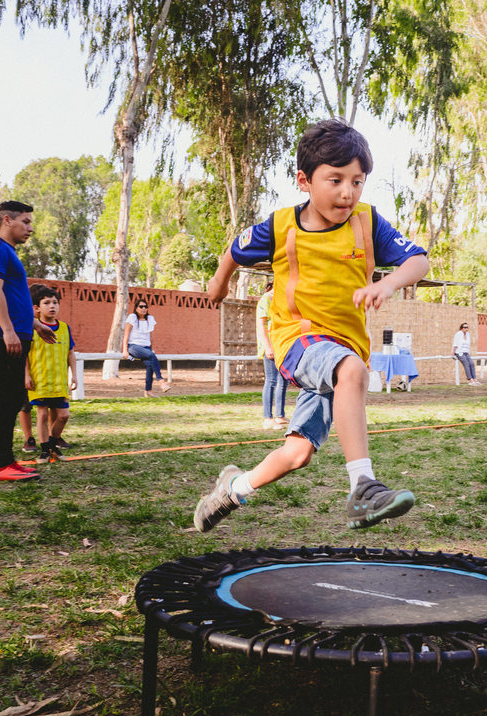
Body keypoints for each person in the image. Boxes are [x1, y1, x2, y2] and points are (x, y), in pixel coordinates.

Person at [193, 119, 429, 533]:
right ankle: (363, 488)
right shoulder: (281, 226)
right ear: (304, 180)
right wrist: (218, 284)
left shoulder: (367, 222)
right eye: (335, 180)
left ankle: (233, 487)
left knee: (298, 453)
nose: (347, 192)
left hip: (343, 345)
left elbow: (419, 260)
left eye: (357, 182)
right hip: (298, 339)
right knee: (351, 370)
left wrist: (389, 282)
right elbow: (235, 250)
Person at [0, 200, 56, 482]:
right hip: (3, 336)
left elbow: (13, 299)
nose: (30, 228)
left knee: (10, 400)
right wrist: (8, 330)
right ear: (7, 220)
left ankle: (4, 461)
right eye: (25, 222)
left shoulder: (7, 253)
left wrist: (34, 324)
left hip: (15, 333)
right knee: (6, 400)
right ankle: (2, 465)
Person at [25, 285, 77, 462]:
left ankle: (52, 444)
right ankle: (45, 450)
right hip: (39, 380)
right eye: (46, 303)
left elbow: (70, 353)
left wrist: (74, 375)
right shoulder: (31, 328)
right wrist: (26, 375)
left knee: (64, 416)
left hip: (59, 381)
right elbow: (25, 354)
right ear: (36, 308)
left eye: (55, 302)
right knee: (43, 414)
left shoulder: (64, 328)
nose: (52, 306)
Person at [257, 281, 290, 428]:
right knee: (271, 381)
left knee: (284, 381)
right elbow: (261, 326)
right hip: (271, 346)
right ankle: (267, 417)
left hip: (283, 345)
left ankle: (280, 415)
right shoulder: (266, 299)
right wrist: (268, 347)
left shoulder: (284, 299)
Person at [123, 298, 169, 396]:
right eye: (141, 306)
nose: (143, 308)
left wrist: (152, 348)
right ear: (136, 308)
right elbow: (126, 335)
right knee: (151, 356)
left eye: (145, 307)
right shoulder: (132, 317)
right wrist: (125, 351)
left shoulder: (150, 319)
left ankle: (148, 391)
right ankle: (161, 381)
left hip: (146, 347)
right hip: (133, 346)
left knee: (149, 366)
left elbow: (151, 336)